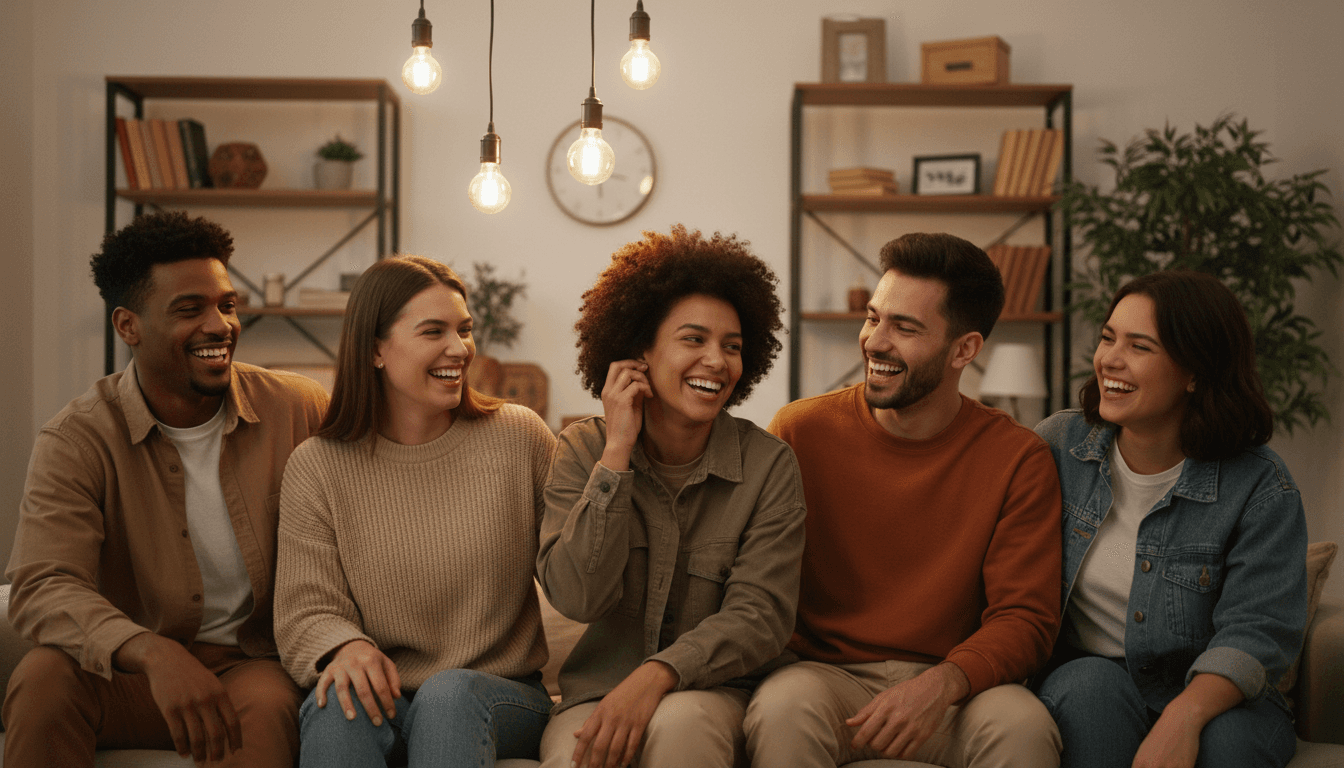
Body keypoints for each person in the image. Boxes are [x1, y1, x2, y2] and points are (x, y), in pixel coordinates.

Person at [3, 211, 329, 767]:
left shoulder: (299, 409)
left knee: (270, 703)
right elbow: (42, 584)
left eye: (227, 304)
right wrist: (152, 653)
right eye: (189, 309)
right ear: (128, 326)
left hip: (247, 670)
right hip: (126, 672)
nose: (220, 325)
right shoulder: (78, 437)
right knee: (43, 677)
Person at [744, 232, 1063, 768]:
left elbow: (1025, 618)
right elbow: (754, 579)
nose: (874, 341)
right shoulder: (801, 432)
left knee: (1023, 727)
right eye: (874, 318)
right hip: (824, 678)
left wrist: (945, 683)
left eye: (904, 327)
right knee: (781, 709)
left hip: (958, 688)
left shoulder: (1018, 457)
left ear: (965, 349)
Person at [536, 225, 806, 768]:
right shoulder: (584, 448)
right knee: (574, 757)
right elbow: (576, 597)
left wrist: (658, 676)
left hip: (715, 693)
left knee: (682, 726)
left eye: (732, 346)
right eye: (693, 339)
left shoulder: (769, 465)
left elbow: (761, 617)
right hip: (597, 694)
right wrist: (617, 452)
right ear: (641, 348)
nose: (717, 361)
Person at [273, 255, 557, 768]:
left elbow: (575, 574)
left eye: (464, 329)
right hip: (387, 695)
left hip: (499, 696)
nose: (460, 348)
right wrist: (345, 647)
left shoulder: (519, 438)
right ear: (376, 349)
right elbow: (303, 609)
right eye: (434, 331)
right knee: (339, 705)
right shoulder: (317, 466)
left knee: (448, 697)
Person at [1032, 270, 1307, 768]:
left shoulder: (1260, 485)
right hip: (1093, 678)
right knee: (1089, 687)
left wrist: (1185, 715)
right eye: (1108, 337)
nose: (1109, 359)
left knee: (1227, 743)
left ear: (1195, 373)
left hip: (1218, 694)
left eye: (1140, 346)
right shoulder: (1058, 446)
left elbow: (1257, 629)